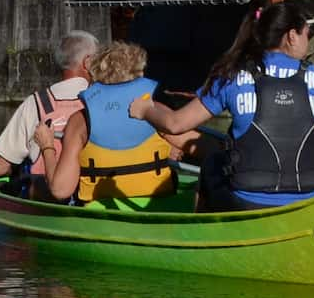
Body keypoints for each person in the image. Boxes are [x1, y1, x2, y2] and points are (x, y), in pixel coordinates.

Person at [143, 0, 314, 210]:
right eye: (306, 35)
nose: (306, 43)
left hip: (248, 199)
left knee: (213, 162)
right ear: (292, 36)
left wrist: (145, 110)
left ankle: (206, 233)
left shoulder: (231, 77)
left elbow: (175, 124)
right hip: (310, 197)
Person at [42, 40, 200, 204]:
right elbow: (201, 147)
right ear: (138, 74)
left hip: (100, 216)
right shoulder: (156, 112)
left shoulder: (80, 121)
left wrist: (47, 146)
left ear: (95, 74)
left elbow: (61, 190)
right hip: (158, 212)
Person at [0, 31, 97, 194]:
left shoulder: (35, 103)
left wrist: (16, 171)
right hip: (93, 193)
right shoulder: (102, 103)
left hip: (47, 196)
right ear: (88, 62)